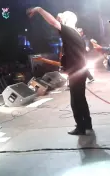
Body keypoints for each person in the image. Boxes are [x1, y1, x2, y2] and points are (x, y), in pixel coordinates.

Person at [27, 7, 92, 135]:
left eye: (61, 19)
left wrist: (39, 10)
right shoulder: (76, 34)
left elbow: (53, 22)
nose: (59, 21)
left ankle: (81, 127)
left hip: (76, 72)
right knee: (81, 98)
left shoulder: (68, 31)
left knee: (75, 100)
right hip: (81, 71)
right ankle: (87, 123)